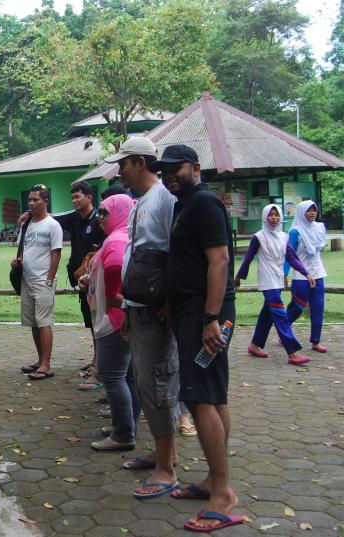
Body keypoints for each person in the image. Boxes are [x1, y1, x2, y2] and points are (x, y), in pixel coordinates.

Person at [160, 144, 245, 532]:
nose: (167, 175)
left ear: (194, 167)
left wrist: (210, 318)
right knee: (212, 394)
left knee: (198, 395)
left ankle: (224, 495)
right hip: (191, 312)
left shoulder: (205, 203)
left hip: (206, 316)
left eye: (174, 168)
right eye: (163, 170)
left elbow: (220, 260)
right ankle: (214, 478)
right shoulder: (186, 204)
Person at [108, 136, 180, 499]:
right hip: (137, 307)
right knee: (144, 382)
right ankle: (160, 451)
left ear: (139, 161)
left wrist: (169, 300)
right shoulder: (139, 203)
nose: (119, 170)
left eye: (123, 163)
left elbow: (175, 251)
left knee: (159, 382)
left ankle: (168, 467)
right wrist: (126, 308)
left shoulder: (165, 198)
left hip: (156, 310)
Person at [18, 180, 105, 381]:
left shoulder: (98, 220)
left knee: (98, 319)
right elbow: (49, 215)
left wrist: (56, 276)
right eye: (72, 197)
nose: (74, 200)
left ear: (90, 197)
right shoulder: (73, 218)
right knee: (90, 319)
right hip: (80, 279)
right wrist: (29, 213)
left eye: (78, 196)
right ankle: (96, 359)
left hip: (95, 276)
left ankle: (98, 362)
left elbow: (100, 248)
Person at [81, 194, 140, 453]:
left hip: (115, 318)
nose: (100, 218)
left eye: (105, 213)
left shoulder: (116, 240)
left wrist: (112, 293)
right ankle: (125, 425)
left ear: (118, 213)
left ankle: (124, 434)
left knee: (112, 375)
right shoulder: (125, 236)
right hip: (120, 316)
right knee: (127, 377)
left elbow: (115, 266)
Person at [234, 204, 315, 365]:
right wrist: (239, 276)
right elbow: (249, 257)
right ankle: (293, 352)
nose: (273, 218)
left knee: (268, 313)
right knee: (280, 314)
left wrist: (306, 273)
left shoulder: (283, 236)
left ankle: (254, 345)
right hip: (267, 280)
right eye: (270, 215)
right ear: (265, 216)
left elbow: (292, 258)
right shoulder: (259, 237)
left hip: (277, 278)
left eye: (276, 215)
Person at [12, 185, 63, 380]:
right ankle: (40, 359)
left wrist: (49, 278)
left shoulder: (52, 225)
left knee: (44, 323)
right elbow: (25, 248)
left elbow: (56, 253)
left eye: (36, 200)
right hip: (27, 279)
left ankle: (46, 365)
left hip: (43, 280)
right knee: (33, 322)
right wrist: (19, 261)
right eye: (30, 200)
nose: (32, 203)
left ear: (46, 201)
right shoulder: (28, 224)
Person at [285, 200, 328, 353]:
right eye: (308, 210)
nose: (312, 213)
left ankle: (315, 341)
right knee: (297, 307)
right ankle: (283, 330)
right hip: (300, 275)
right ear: (302, 212)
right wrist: (284, 273)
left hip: (318, 273)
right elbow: (289, 255)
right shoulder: (295, 231)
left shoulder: (320, 227)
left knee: (318, 307)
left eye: (314, 210)